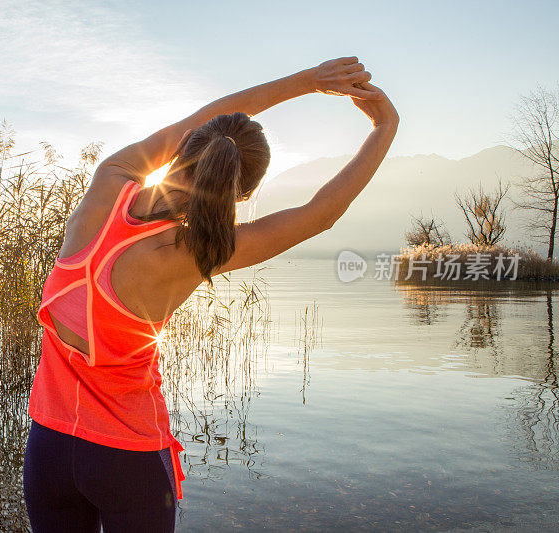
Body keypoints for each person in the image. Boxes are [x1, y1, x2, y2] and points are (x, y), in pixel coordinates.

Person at [23, 56, 399, 532]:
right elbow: (321, 212)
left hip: (49, 449)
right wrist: (386, 125)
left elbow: (208, 115)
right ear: (240, 195)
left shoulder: (109, 179)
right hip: (126, 457)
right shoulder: (195, 252)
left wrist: (307, 82)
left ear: (183, 153)